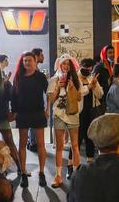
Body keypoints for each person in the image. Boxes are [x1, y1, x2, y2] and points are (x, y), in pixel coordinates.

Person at [11, 52, 49, 188]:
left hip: (38, 113)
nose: (27, 63)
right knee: (22, 144)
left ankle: (41, 172)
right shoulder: (18, 77)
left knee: (40, 144)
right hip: (23, 114)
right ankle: (23, 172)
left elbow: (49, 93)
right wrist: (14, 111)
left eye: (29, 60)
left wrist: (47, 109)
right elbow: (13, 97)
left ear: (35, 61)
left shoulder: (40, 76)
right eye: (25, 61)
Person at [47, 54, 86, 188]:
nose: (66, 67)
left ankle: (76, 175)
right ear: (59, 64)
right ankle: (58, 176)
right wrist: (58, 86)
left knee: (75, 145)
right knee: (59, 147)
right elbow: (51, 100)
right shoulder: (54, 79)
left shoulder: (76, 79)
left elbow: (79, 98)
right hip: (58, 114)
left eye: (68, 65)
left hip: (73, 115)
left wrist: (72, 88)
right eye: (64, 64)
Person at [67, 58, 103, 167]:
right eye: (85, 67)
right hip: (78, 112)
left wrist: (95, 85)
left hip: (91, 111)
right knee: (76, 138)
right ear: (80, 66)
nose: (87, 69)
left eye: (90, 67)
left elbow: (100, 95)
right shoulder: (75, 78)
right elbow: (78, 94)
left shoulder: (92, 78)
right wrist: (89, 87)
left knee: (90, 136)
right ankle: (70, 163)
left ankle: (90, 161)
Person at [26, 48, 47, 153]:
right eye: (42, 55)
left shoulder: (37, 70)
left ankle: (31, 142)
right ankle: (33, 143)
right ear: (37, 56)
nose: (43, 57)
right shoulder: (32, 71)